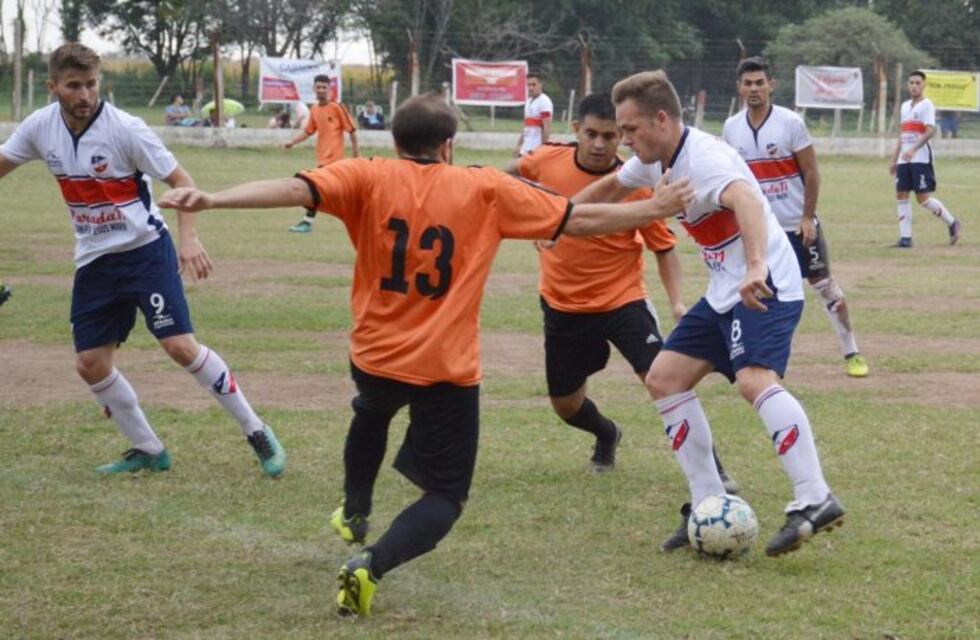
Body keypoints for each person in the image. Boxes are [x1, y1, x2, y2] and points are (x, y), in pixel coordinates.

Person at [158, 93, 697, 617]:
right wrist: (656, 206)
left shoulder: (364, 175)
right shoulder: (482, 187)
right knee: (445, 495)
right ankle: (371, 563)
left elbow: (292, 188)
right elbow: (574, 220)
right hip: (446, 368)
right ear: (449, 145)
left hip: (373, 353)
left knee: (371, 410)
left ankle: (355, 506)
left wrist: (213, 199)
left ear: (394, 141)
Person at [574, 70, 844, 558]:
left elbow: (745, 199)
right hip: (724, 291)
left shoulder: (706, 158)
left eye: (631, 130)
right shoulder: (653, 160)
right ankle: (707, 501)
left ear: (661, 119)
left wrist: (757, 265)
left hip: (765, 286)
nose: (625, 140)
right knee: (664, 379)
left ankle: (815, 497)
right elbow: (612, 187)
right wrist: (558, 215)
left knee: (753, 380)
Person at [0, 43, 286, 476]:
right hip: (95, 260)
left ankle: (256, 429)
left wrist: (189, 239)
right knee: (90, 363)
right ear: (53, 86)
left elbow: (180, 180)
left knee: (179, 346)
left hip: (145, 251)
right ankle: (149, 450)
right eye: (73, 86)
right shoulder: (40, 127)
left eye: (91, 85)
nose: (84, 95)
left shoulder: (126, 129)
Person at [504, 92, 736, 488]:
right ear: (575, 129)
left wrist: (677, 300)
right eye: (591, 134)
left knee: (664, 380)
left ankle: (715, 472)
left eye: (610, 136)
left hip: (623, 300)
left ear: (621, 136)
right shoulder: (546, 160)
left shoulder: (640, 181)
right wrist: (527, 213)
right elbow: (505, 177)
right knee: (565, 405)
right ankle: (606, 434)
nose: (599, 144)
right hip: (563, 304)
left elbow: (664, 249)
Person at [723, 57, 869, 379]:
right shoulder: (731, 128)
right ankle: (754, 357)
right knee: (755, 291)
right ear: (739, 87)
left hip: (796, 226)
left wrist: (807, 217)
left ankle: (852, 351)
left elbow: (812, 173)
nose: (754, 89)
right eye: (747, 83)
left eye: (759, 82)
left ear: (771, 85)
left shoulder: (790, 123)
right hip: (761, 232)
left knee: (825, 287)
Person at [890, 70, 961, 248]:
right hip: (904, 160)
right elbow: (903, 134)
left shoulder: (927, 105)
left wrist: (913, 149)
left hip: (920, 159)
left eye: (918, 83)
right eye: (911, 83)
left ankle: (952, 223)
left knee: (923, 198)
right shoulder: (905, 106)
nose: (914, 86)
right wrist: (894, 159)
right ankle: (905, 238)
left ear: (924, 85)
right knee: (901, 194)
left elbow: (930, 130)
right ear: (908, 85)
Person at [283, 75, 359, 233]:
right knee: (334, 193)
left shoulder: (337, 107)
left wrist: (356, 154)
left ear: (329, 89)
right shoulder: (315, 109)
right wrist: (293, 142)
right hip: (322, 158)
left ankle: (307, 222)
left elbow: (351, 130)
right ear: (314, 89)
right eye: (318, 87)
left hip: (335, 160)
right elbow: (308, 131)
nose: (321, 90)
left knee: (315, 188)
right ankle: (360, 216)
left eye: (324, 87)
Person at [513, 73, 553, 157]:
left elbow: (547, 127)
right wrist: (519, 145)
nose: (531, 88)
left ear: (541, 85)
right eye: (528, 85)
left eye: (534, 84)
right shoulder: (528, 101)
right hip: (525, 148)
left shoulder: (544, 101)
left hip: (536, 149)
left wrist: (543, 148)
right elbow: (525, 126)